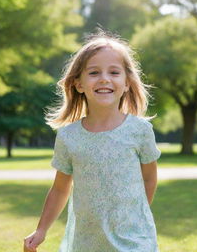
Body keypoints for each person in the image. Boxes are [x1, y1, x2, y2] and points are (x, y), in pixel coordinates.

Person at [24, 30, 161, 252]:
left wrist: (135, 217)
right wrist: (41, 230)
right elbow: (60, 189)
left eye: (114, 72)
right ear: (78, 84)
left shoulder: (140, 131)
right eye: (94, 72)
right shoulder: (69, 136)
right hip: (86, 242)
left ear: (127, 83)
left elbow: (149, 180)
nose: (105, 78)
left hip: (135, 240)